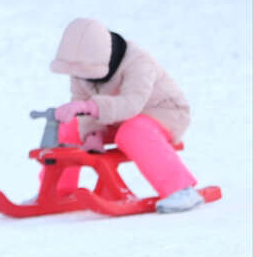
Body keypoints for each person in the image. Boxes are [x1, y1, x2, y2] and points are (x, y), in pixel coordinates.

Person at [48, 17, 203, 213]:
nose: (80, 78)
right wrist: (91, 133)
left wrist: (90, 107)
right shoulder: (80, 68)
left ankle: (181, 190)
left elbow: (132, 104)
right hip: (113, 117)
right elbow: (81, 101)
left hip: (164, 113)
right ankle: (58, 191)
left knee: (132, 132)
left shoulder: (139, 62)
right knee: (68, 125)